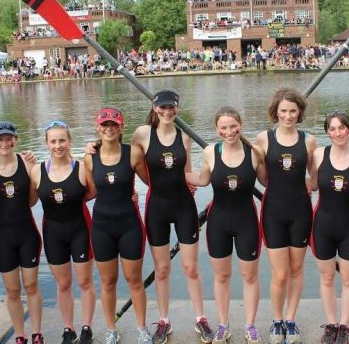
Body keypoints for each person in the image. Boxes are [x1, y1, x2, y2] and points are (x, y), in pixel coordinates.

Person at [131, 89, 214, 344]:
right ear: (154, 108)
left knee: (191, 267)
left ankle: (200, 318)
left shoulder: (185, 138)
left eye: (172, 107)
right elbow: (130, 163)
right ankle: (164, 321)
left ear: (177, 108)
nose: (167, 112)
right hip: (157, 207)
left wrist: (218, 165)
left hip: (183, 207)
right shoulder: (142, 134)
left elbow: (188, 175)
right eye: (162, 107)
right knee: (162, 269)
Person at [186, 106, 266, 344]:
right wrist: (165, 174)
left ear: (241, 125)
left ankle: (250, 325)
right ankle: (223, 324)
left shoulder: (254, 152)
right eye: (224, 127)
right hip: (218, 222)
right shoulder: (211, 151)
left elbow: (270, 182)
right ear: (217, 129)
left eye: (233, 126)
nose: (229, 131)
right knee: (222, 276)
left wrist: (312, 186)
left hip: (247, 221)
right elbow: (201, 180)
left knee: (249, 276)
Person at [83, 107, 152, 344]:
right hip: (102, 226)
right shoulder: (89, 158)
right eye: (105, 124)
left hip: (129, 224)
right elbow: (89, 192)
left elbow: (151, 181)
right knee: (107, 281)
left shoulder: (133, 154)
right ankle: (111, 329)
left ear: (121, 127)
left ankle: (142, 328)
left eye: (113, 124)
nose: (109, 128)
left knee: (134, 279)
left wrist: (183, 183)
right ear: (98, 127)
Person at [254, 88, 317, 344]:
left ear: (299, 111)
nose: (288, 116)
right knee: (280, 274)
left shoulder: (309, 140)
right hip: (273, 212)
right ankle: (277, 320)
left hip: (300, 210)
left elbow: (315, 177)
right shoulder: (263, 139)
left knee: (296, 268)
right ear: (275, 112)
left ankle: (291, 321)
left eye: (293, 111)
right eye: (283, 111)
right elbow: (261, 176)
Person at [30, 120, 96, 344]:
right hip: (53, 233)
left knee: (85, 282)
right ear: (46, 144)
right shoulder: (37, 170)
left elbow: (94, 192)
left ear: (69, 141)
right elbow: (28, 201)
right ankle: (69, 329)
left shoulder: (81, 168)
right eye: (53, 141)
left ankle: (87, 327)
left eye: (62, 140)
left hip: (80, 229)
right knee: (63, 284)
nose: (58, 145)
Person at [309, 109, 349, 344]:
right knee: (326, 278)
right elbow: (312, 183)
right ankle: (331, 324)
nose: (338, 133)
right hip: (322, 225)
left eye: (341, 127)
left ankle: (345, 325)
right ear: (327, 132)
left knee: (347, 278)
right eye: (332, 129)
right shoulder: (318, 155)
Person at [0, 121, 43, 344]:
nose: (5, 143)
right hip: (2, 237)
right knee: (12, 289)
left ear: (16, 139)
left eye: (9, 138)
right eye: (0, 139)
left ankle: (36, 333)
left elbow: (34, 199)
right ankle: (20, 335)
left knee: (31, 286)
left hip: (27, 232)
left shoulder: (27, 163)